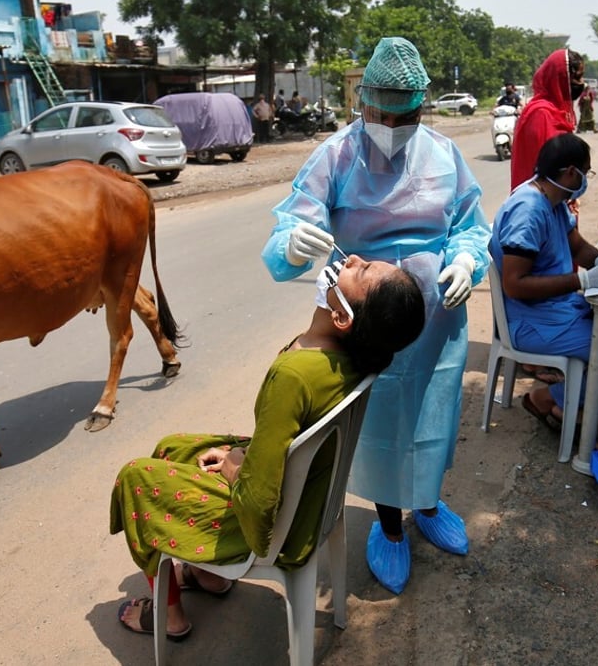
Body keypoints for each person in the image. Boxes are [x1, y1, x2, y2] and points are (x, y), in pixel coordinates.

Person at [259, 36, 491, 595]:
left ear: (419, 107)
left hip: (436, 317)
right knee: (382, 423)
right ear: (362, 104)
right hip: (367, 318)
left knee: (433, 415)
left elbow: (471, 223)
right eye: (378, 112)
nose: (389, 124)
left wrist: (465, 258)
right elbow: (288, 230)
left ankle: (428, 502)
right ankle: (389, 525)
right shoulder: (336, 156)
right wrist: (292, 245)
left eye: (402, 114)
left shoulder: (442, 153)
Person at [112, 256, 426, 639]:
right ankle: (207, 576)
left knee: (135, 478)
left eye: (359, 271)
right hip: (306, 493)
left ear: (343, 318)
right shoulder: (356, 355)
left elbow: (260, 502)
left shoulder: (294, 375)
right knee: (171, 447)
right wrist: (242, 456)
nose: (352, 258)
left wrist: (233, 466)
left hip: (278, 524)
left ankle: (170, 616)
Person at [490, 133, 598, 429]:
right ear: (570, 172)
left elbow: (578, 246)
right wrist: (585, 279)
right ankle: (548, 398)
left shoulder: (554, 200)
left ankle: (571, 400)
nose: (585, 180)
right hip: (533, 323)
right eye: (585, 172)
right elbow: (515, 285)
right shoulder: (528, 211)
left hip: (557, 311)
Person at [511, 48, 585, 191]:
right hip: (542, 202)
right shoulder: (542, 114)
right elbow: (548, 171)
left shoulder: (556, 112)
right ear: (561, 78)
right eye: (577, 77)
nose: (581, 83)